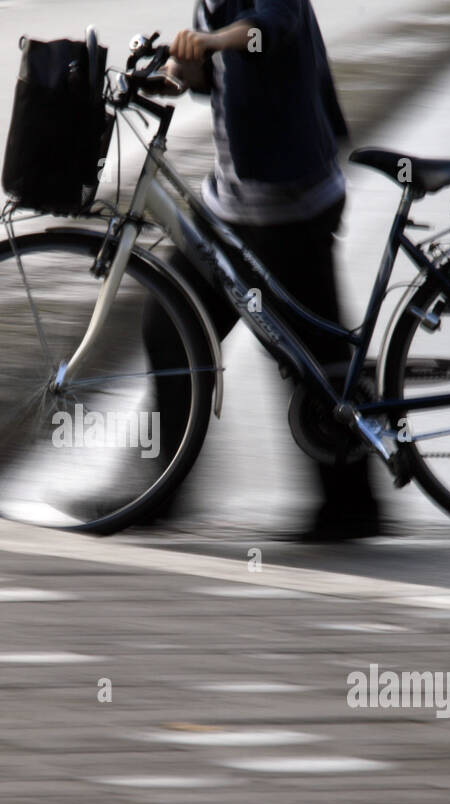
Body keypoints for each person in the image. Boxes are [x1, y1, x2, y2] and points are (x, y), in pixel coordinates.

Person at [145, 0, 381, 540]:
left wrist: (208, 42)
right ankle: (161, 487)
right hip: (232, 203)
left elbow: (265, 33)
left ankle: (351, 509)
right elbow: (222, 73)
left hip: (287, 204)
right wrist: (181, 69)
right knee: (171, 326)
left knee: (313, 360)